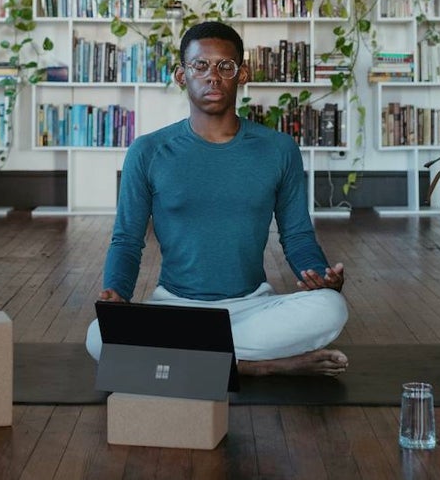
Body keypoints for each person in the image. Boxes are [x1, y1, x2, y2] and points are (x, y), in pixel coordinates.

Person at [85, 21, 349, 376]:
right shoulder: (147, 151)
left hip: (252, 306)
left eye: (225, 66)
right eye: (200, 66)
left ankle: (195, 362)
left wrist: (321, 277)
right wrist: (116, 292)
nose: (213, 76)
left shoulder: (279, 150)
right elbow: (127, 240)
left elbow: (298, 235)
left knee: (331, 308)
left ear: (241, 75)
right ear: (182, 75)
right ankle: (255, 367)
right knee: (99, 336)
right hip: (174, 307)